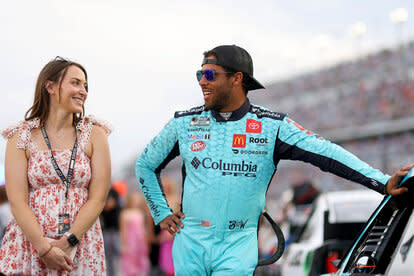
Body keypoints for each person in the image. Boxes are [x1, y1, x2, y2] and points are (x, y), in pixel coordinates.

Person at [135, 44, 413, 275]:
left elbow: (327, 153)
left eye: (209, 74)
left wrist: (382, 181)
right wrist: (160, 212)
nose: (201, 81)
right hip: (190, 241)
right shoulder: (184, 123)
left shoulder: (272, 126)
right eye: (200, 73)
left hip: (237, 243)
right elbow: (145, 165)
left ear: (237, 78)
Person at [0, 57, 112, 275]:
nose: (83, 91)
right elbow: (17, 200)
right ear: (50, 86)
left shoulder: (94, 133)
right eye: (76, 83)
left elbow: (98, 197)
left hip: (81, 242)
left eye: (85, 85)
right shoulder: (20, 137)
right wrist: (44, 249)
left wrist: (69, 240)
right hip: (31, 243)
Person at [119, 192, 150, 276]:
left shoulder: (140, 212)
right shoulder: (125, 213)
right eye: (134, 200)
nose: (136, 202)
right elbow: (123, 230)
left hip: (140, 239)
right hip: (131, 240)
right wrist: (124, 244)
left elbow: (144, 227)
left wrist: (146, 241)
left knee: (141, 258)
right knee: (131, 258)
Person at [101, 187, 122, 276]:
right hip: (106, 230)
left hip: (115, 230)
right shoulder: (102, 190)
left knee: (117, 255)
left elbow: (116, 206)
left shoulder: (113, 191)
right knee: (108, 256)